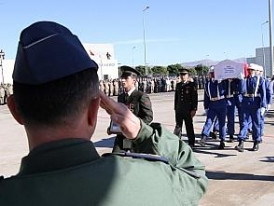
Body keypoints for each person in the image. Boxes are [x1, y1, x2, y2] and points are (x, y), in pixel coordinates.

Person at [0, 21, 208, 206]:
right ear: (94, 110)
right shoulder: (152, 179)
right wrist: (142, 132)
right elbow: (194, 174)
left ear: (15, 110)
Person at [111, 65, 153, 152]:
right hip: (121, 136)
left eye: (126, 78)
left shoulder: (141, 96)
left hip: (135, 136)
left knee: (133, 161)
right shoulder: (121, 97)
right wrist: (112, 127)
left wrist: (135, 126)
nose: (122, 80)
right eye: (122, 78)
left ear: (134, 80)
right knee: (116, 158)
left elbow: (148, 117)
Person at [236, 63, 266, 152]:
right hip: (246, 101)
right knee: (244, 123)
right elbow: (241, 91)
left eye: (252, 70)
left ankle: (256, 141)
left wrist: (263, 105)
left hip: (255, 101)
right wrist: (241, 80)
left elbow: (263, 93)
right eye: (249, 70)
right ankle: (241, 142)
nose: (250, 72)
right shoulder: (245, 79)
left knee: (256, 123)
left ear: (255, 71)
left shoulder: (259, 80)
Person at [199, 68, 227, 149]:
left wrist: (220, 83)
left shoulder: (222, 82)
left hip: (221, 103)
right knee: (209, 121)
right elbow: (206, 96)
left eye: (213, 73)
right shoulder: (207, 83)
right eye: (211, 73)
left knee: (222, 123)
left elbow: (224, 91)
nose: (212, 74)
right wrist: (206, 106)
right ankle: (204, 138)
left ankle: (222, 140)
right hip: (212, 104)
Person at [173, 68, 198, 147]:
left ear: (188, 76)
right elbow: (176, 97)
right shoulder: (178, 85)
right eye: (181, 75)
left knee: (189, 126)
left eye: (184, 75)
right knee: (178, 126)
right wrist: (175, 108)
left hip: (188, 110)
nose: (183, 76)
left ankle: (191, 142)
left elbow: (194, 98)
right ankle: (176, 141)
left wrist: (194, 109)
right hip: (179, 109)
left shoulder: (191, 85)